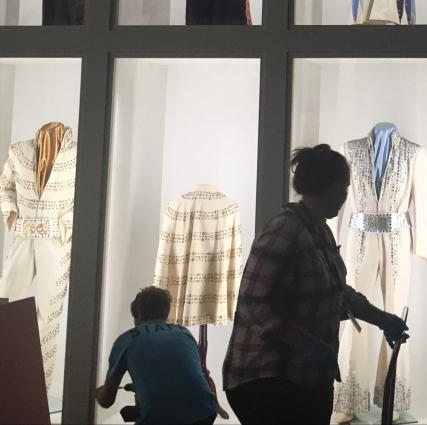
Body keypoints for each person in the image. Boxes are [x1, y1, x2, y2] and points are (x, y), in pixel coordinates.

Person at [223, 144, 409, 424]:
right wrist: (305, 342)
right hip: (268, 378)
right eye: (343, 189)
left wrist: (382, 319)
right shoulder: (284, 230)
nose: (346, 196)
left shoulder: (318, 229)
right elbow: (253, 302)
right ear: (328, 187)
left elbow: (338, 293)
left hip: (305, 378)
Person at [95, 286, 219, 425]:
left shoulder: (126, 339)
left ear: (137, 316)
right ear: (166, 313)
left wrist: (96, 392)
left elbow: (107, 401)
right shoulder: (184, 333)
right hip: (205, 411)